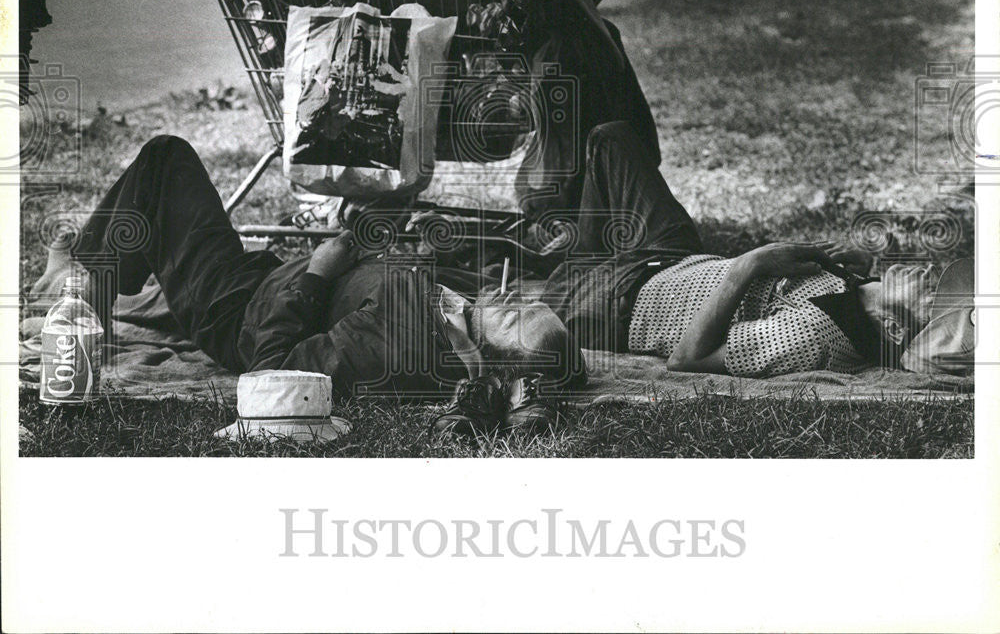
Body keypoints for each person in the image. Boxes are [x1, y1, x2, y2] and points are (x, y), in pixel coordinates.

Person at [27, 135, 584, 438]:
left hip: (235, 309)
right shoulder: (454, 317)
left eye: (515, 319)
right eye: (526, 303)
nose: (514, 299)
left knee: (165, 158)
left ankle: (84, 293)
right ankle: (96, 275)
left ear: (497, 357)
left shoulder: (399, 342)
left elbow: (270, 375)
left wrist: (319, 271)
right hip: (270, 278)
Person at [533, 121, 973, 379]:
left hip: (620, 303)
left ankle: (566, 260)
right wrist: (851, 269)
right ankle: (571, 252)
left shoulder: (815, 338)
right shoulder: (865, 294)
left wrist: (750, 263)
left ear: (896, 330)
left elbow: (687, 360)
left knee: (515, 303)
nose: (932, 278)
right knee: (611, 137)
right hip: (671, 255)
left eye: (933, 298)